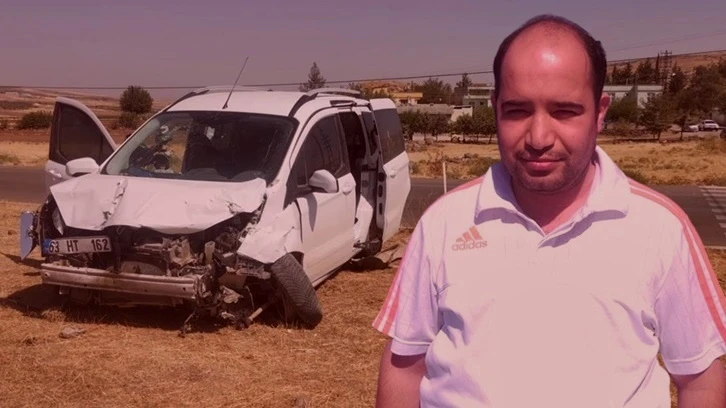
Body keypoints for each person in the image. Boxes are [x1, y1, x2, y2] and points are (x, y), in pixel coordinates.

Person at [373, 14, 726, 408]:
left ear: (600, 112)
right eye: (517, 110)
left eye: (564, 111)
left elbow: (700, 379)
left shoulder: (662, 228)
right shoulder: (444, 223)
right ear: (495, 108)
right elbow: (405, 366)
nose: (538, 137)